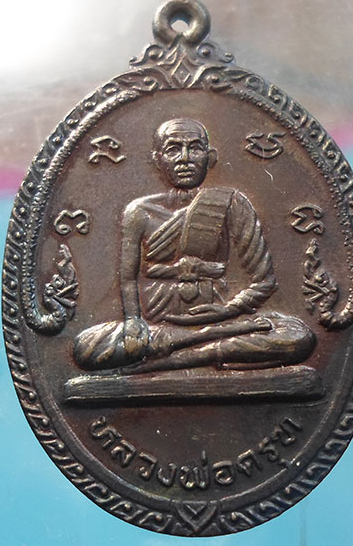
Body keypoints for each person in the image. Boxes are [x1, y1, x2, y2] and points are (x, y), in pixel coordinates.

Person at [74, 119, 315, 372]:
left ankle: (192, 355)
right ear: (157, 159)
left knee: (299, 337)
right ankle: (200, 345)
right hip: (157, 326)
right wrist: (133, 321)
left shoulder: (231, 202)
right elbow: (127, 278)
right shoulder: (139, 211)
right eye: (173, 149)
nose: (185, 158)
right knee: (86, 347)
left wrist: (225, 311)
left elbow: (264, 282)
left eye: (195, 148)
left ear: (210, 157)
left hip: (224, 320)